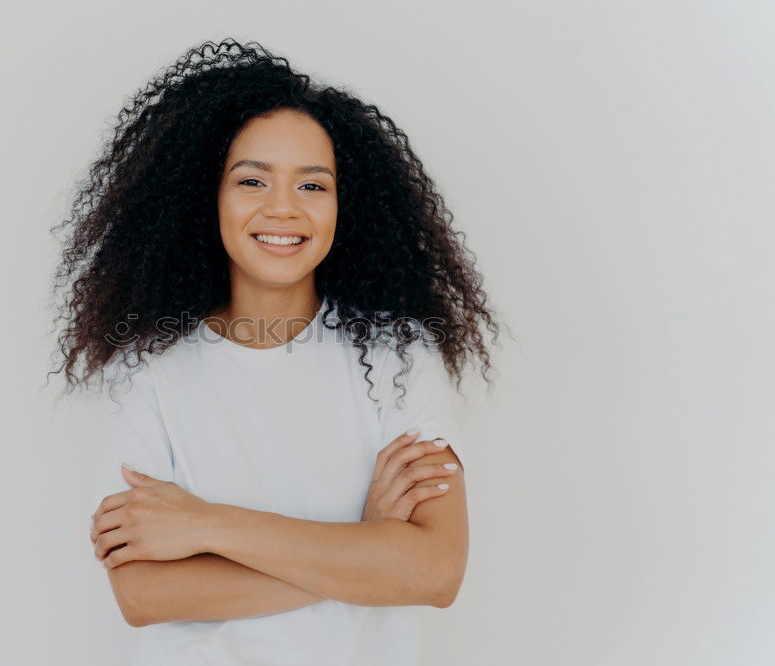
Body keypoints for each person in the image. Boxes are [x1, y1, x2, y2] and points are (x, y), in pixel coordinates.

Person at [51, 38, 503, 666]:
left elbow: (433, 571)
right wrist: (367, 549)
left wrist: (205, 525)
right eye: (252, 180)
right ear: (205, 196)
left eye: (313, 185)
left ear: (347, 204)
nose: (283, 208)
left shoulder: (399, 358)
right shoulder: (147, 368)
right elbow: (145, 592)